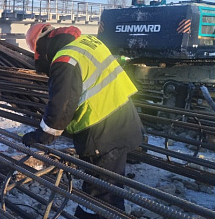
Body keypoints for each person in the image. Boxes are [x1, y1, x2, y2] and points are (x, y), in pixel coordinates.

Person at [21, 24, 144, 219]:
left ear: (41, 46)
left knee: (100, 193)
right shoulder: (87, 42)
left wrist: (40, 136)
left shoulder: (64, 59)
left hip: (104, 133)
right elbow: (87, 91)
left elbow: (61, 107)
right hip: (122, 119)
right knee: (109, 188)